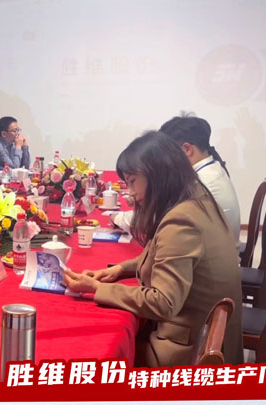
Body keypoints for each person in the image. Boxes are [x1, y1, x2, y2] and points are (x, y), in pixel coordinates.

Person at [63, 131, 243, 367]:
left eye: (132, 182)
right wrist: (120, 269)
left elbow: (163, 302)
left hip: (183, 351)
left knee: (89, 351)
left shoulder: (181, 221)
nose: (130, 193)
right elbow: (168, 255)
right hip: (200, 333)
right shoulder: (197, 197)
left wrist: (97, 289)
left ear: (156, 175)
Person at [111, 114, 241, 245]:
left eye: (167, 154)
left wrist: (117, 217)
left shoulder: (198, 183)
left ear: (187, 149)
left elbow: (155, 220)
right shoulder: (213, 168)